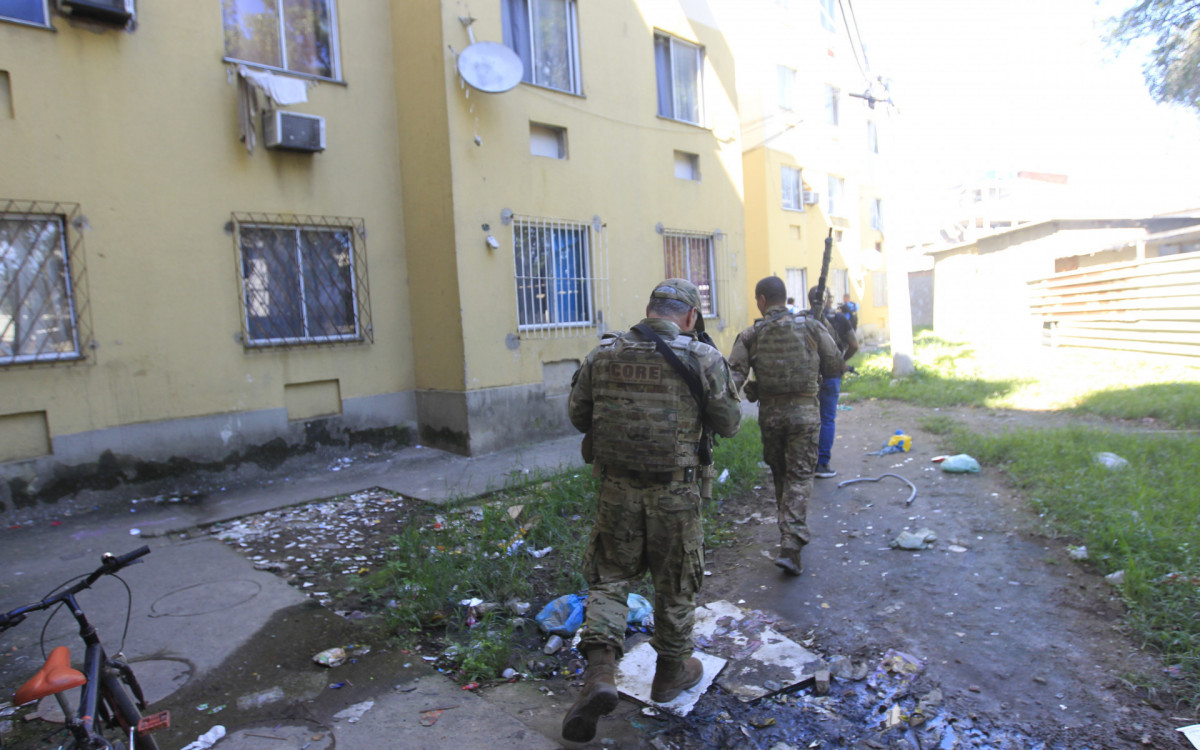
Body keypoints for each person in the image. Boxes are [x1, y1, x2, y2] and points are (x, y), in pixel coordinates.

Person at [562, 278, 742, 743]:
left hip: (617, 490)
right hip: (675, 494)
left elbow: (579, 415)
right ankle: (670, 672)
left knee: (610, 578)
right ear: (689, 317)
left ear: (649, 310)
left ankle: (600, 672)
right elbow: (731, 423)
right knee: (676, 580)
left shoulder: (604, 353)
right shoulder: (702, 358)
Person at [728, 276, 843, 575]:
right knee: (800, 476)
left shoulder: (751, 334)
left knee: (782, 474)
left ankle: (788, 535)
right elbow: (835, 365)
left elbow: (732, 383)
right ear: (785, 298)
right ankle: (791, 542)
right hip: (805, 415)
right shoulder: (811, 326)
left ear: (762, 301)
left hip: (772, 418)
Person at [810, 286, 858, 478]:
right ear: (828, 299)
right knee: (827, 418)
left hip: (809, 376)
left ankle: (806, 461)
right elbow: (854, 344)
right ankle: (822, 464)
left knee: (810, 418)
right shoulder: (839, 319)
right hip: (831, 374)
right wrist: (842, 361)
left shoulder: (804, 319)